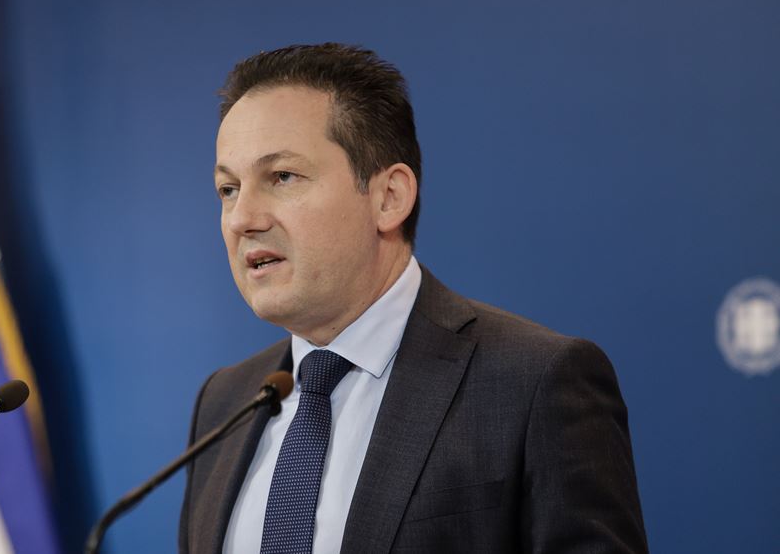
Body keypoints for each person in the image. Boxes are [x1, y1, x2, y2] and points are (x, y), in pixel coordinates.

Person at [179, 43, 648, 554]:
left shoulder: (532, 383)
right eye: (228, 189)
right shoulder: (224, 402)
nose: (242, 219)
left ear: (389, 197)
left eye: (282, 177)